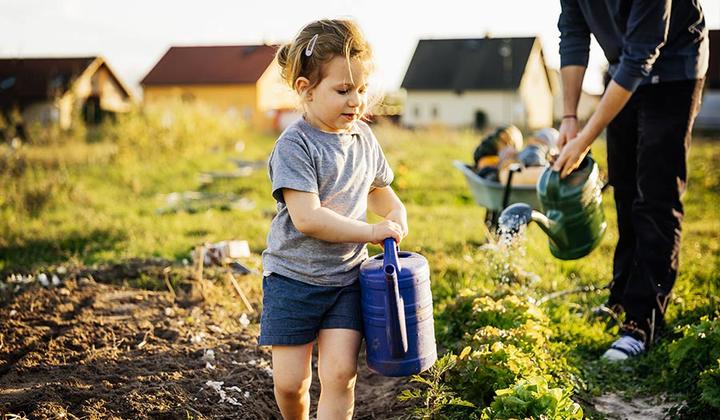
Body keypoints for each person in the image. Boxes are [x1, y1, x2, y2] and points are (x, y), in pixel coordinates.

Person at [260, 19, 408, 419]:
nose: (356, 101)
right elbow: (308, 219)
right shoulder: (295, 145)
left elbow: (379, 192)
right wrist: (372, 231)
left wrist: (396, 213)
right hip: (292, 281)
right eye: (343, 90)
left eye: (361, 90)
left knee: (340, 374)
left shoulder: (363, 139)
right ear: (305, 90)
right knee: (291, 384)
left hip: (345, 280)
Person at [553, 1, 708, 361]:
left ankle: (642, 320)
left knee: (655, 196)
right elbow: (573, 32)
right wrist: (570, 116)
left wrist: (585, 139)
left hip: (674, 69)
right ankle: (622, 298)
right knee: (624, 188)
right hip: (624, 64)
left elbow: (643, 54)